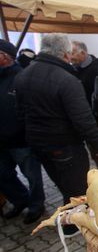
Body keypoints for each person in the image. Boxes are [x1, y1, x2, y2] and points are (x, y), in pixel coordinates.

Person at [14, 34, 98, 217]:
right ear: (65, 54)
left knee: (61, 181)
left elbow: (20, 113)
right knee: (76, 186)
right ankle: (74, 222)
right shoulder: (66, 79)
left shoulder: (23, 74)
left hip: (38, 144)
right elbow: (84, 120)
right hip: (65, 145)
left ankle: (70, 211)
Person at [0, 39, 45, 224]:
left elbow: (33, 109)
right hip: (1, 141)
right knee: (3, 174)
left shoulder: (22, 77)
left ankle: (36, 205)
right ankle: (20, 200)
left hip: (21, 140)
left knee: (32, 175)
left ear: (5, 57)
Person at [70, 41, 98, 168]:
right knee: (94, 151)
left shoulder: (97, 68)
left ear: (82, 53)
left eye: (72, 53)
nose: (69, 57)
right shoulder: (74, 69)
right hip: (81, 118)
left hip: (96, 118)